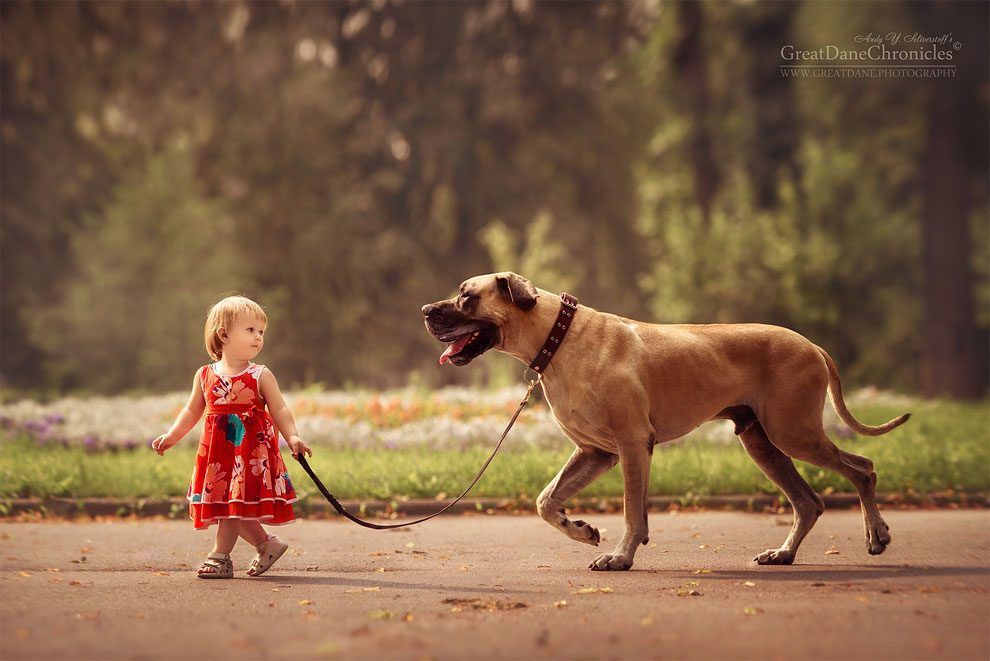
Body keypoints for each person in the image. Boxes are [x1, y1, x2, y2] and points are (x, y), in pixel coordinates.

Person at [151, 295, 312, 578]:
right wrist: (172, 436)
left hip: (250, 455)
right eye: (250, 330)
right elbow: (191, 411)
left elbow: (280, 408)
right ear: (224, 334)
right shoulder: (204, 375)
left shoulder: (260, 375)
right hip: (219, 455)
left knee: (233, 506)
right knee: (234, 505)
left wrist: (293, 437)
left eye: (261, 332)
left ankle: (219, 557)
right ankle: (267, 545)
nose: (258, 337)